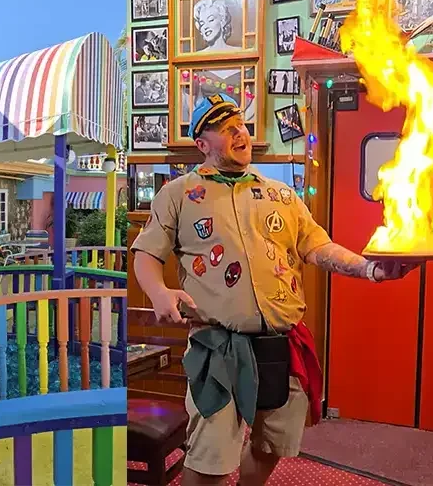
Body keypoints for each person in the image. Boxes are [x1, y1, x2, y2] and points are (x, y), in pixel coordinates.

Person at [132, 94, 418, 485]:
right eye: (225, 128)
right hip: (218, 348)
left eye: (240, 124)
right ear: (202, 144)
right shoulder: (178, 194)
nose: (239, 133)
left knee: (271, 445)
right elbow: (146, 254)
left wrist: (370, 269)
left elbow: (317, 246)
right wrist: (158, 292)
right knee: (210, 459)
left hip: (281, 345)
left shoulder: (281, 195)